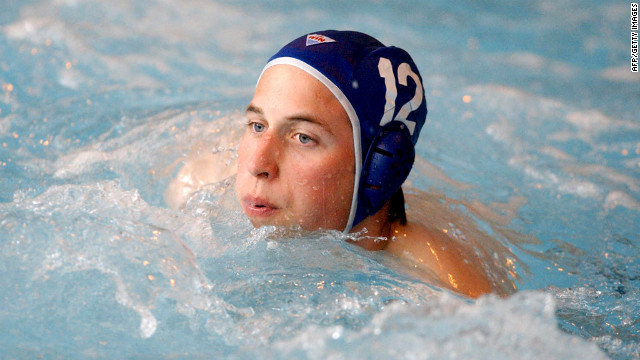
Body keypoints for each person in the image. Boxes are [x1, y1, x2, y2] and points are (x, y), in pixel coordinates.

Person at [169, 30, 506, 298]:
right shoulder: (196, 187)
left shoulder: (445, 287)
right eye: (258, 126)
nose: (257, 165)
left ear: (379, 167)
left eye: (303, 137)